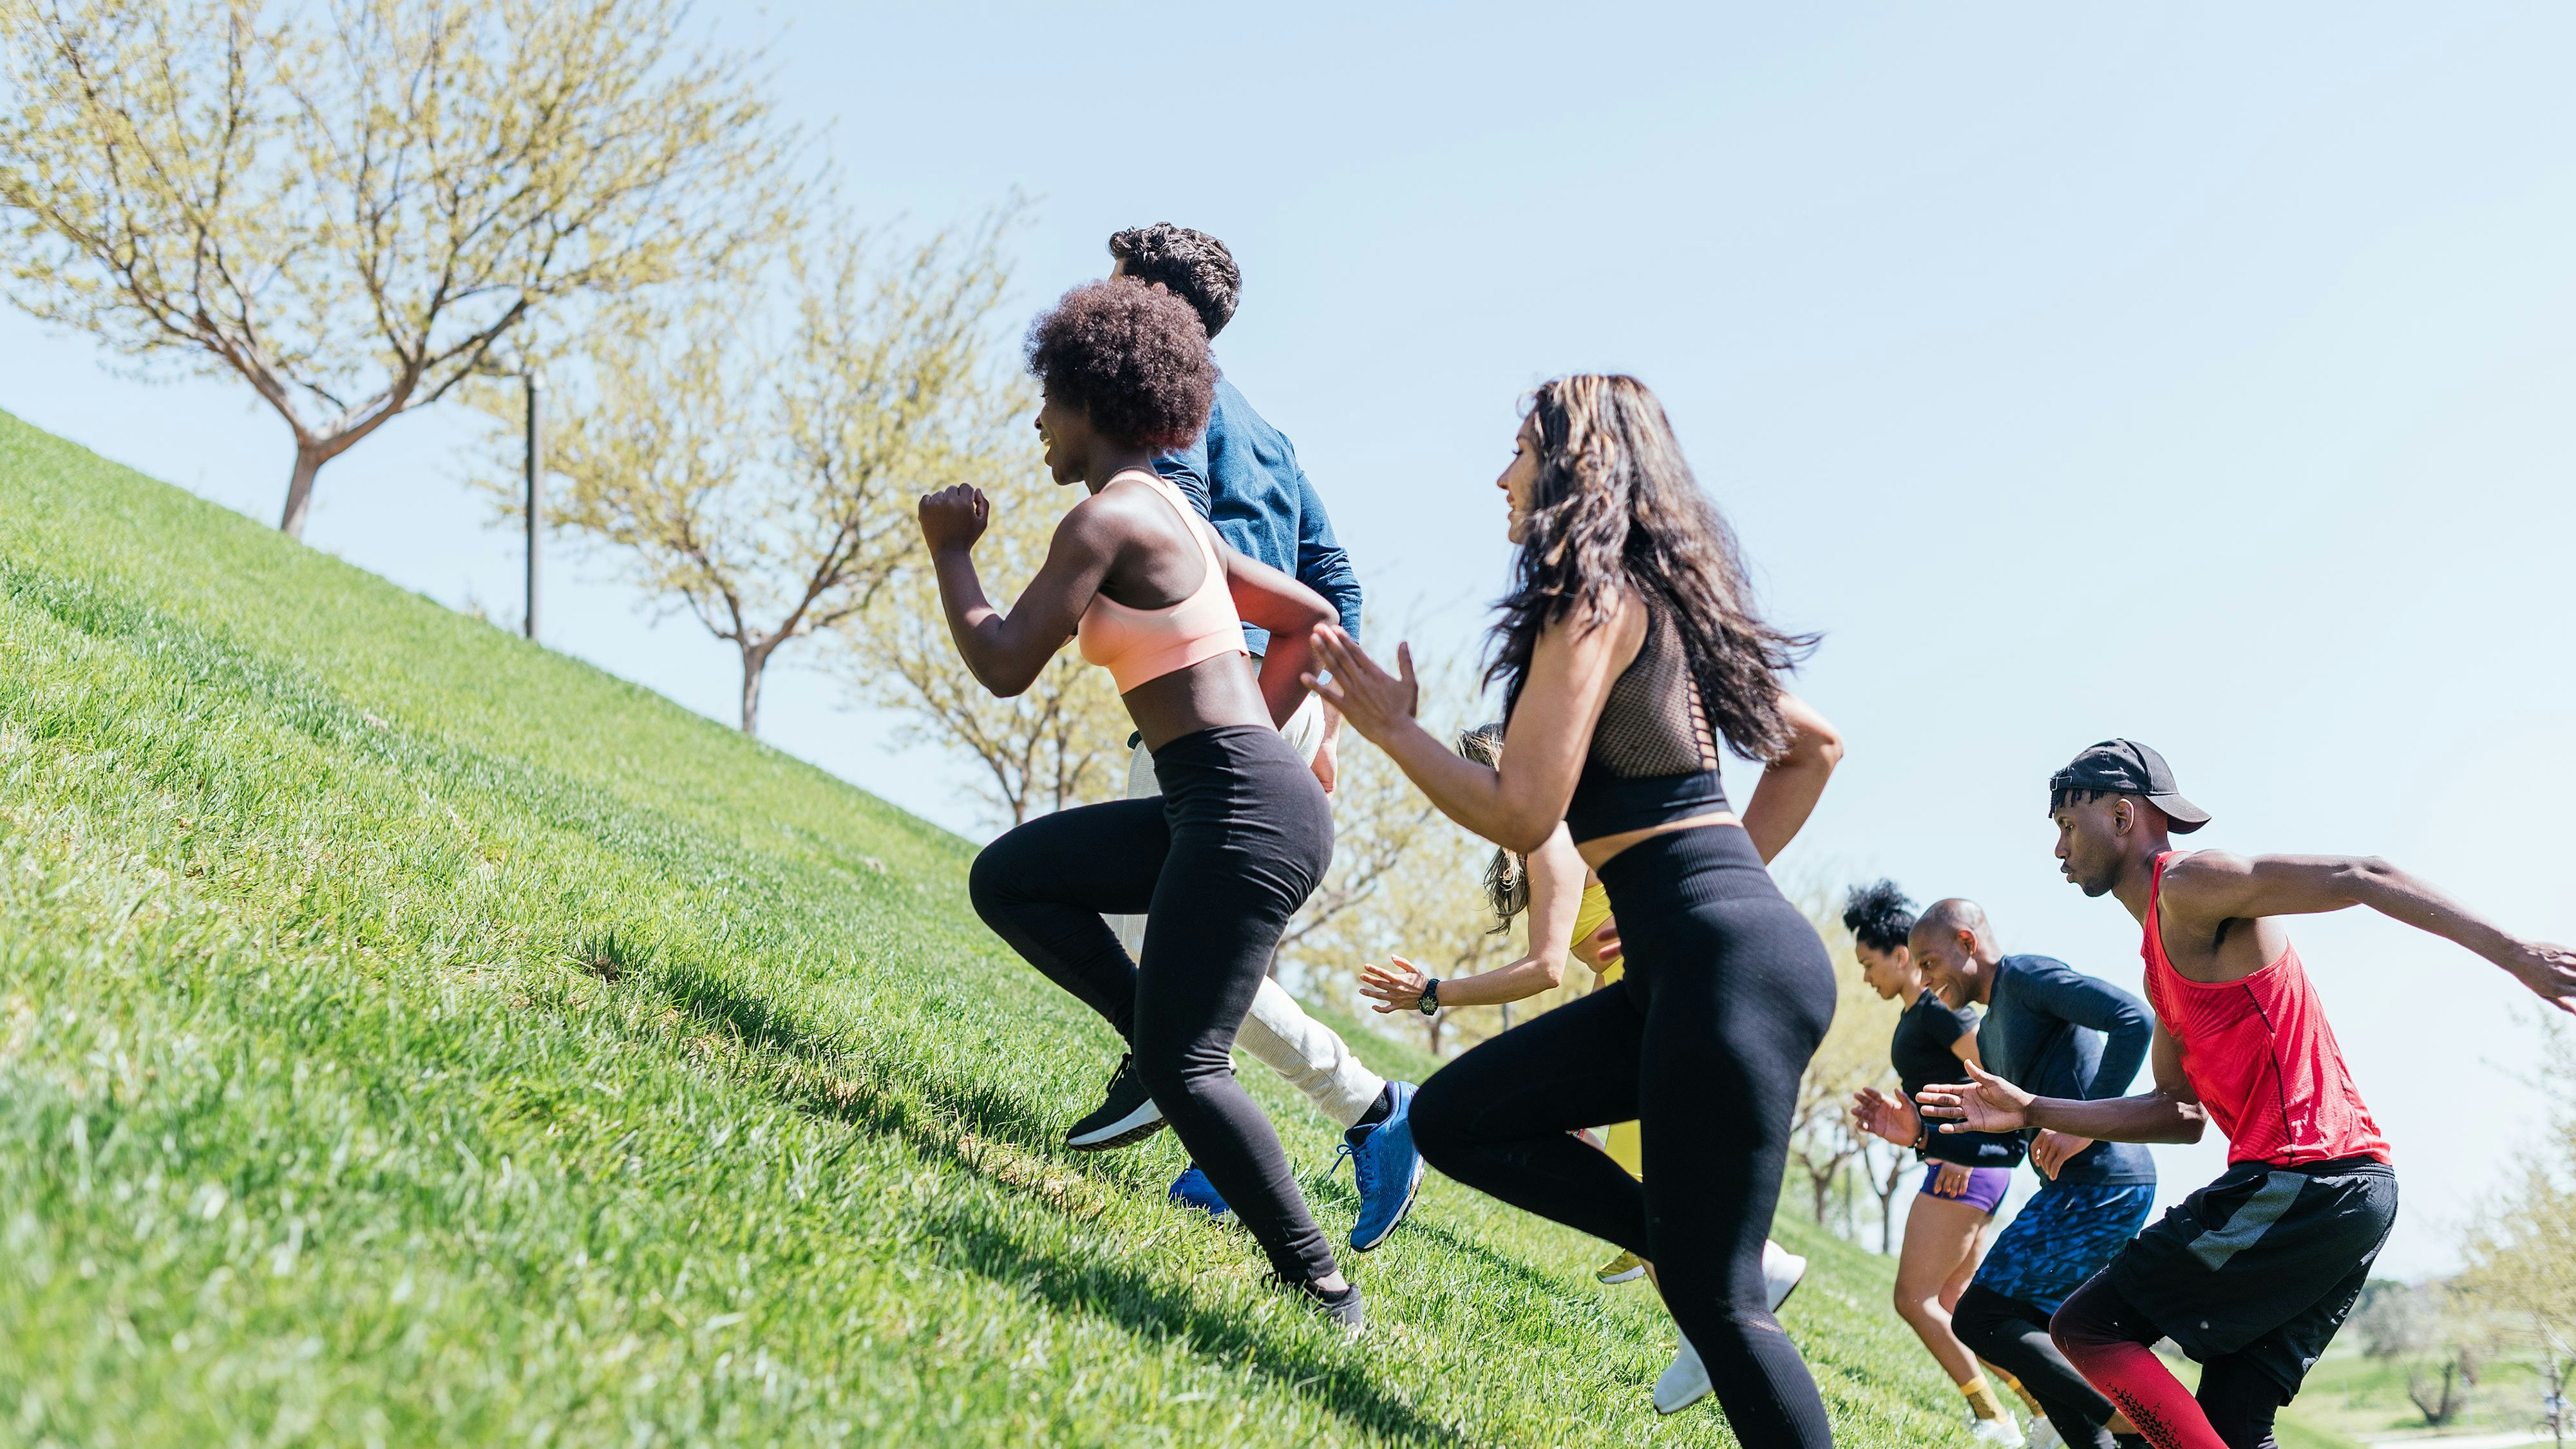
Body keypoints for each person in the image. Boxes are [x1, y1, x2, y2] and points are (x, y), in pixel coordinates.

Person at [1309, 374, 1846, 1441]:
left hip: (1717, 961)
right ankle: (1692, 1247)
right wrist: (1719, 886)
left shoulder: (1592, 600)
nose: (1503, 473)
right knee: (1460, 1118)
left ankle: (1711, 1263)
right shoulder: (1672, 609)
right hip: (1707, 954)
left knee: (1720, 1303)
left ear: (1572, 468)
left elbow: (1523, 812)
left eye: (1519, 448)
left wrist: (1392, 731)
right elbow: (1817, 747)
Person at [1920, 740, 2576, 1449]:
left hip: (2306, 1180)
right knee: (2233, 1423)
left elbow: (2362, 873)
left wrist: (2515, 953)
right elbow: (2177, 1114)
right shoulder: (2157, 962)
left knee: (2087, 1326)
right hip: (2343, 1194)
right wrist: (2036, 1108)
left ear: (2120, 815)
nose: (2057, 848)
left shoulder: (2190, 885)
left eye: (2066, 825)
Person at [927, 278, 1361, 1327]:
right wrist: (1261, 736)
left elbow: (1001, 662)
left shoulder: (1110, 520)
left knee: (1189, 1064)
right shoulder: (1173, 510)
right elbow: (1309, 616)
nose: (1038, 423)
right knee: (1014, 880)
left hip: (1239, 807)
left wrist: (952, 552)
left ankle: (1321, 1285)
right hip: (1231, 798)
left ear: (1090, 401)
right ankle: (1150, 1037)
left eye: (1048, 400)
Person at [1081, 223, 1424, 1253]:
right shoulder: (1267, 428)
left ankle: (1365, 1107)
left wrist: (1246, 721)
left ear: (1150, 300)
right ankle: (1214, 1146)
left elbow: (1182, 545)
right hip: (1273, 682)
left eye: (1114, 289)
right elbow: (1338, 584)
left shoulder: (1170, 409)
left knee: (1146, 922)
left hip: (1218, 695)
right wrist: (1310, 708)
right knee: (1203, 945)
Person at [1359, 724, 1810, 1303]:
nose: (1466, 799)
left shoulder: (1553, 836)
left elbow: (1545, 968)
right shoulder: (1555, 838)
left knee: (1641, 1195)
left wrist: (1434, 993)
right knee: (1643, 1196)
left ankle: (1739, 1297)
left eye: (1475, 779)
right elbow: (1604, 958)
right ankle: (1723, 1323)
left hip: (1664, 1003)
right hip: (1653, 1000)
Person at [1877, 898, 2159, 1449]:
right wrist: (1920, 1134)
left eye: (1930, 962)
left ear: (1967, 943)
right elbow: (2006, 1130)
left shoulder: (2026, 976)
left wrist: (2087, 1123)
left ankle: (2134, 1426)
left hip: (2104, 1183)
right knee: (2035, 1333)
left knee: (1980, 1314)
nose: (1925, 977)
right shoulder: (1989, 1033)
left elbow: (2134, 1018)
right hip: (2082, 1188)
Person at [1841, 882, 2030, 1447]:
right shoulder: (1921, 1015)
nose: (1865, 977)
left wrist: (1961, 1154)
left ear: (1902, 956)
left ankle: (1994, 1419)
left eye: (1869, 963)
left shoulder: (1937, 1012)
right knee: (1954, 1304)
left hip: (1971, 1165)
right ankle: (2042, 1408)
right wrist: (1922, 1136)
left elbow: (1994, 1081)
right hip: (1966, 1162)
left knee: (1913, 1299)